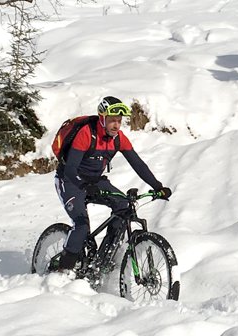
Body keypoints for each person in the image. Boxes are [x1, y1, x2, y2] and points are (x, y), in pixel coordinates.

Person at [52, 96, 172, 272]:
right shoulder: (86, 133)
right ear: (102, 119)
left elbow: (138, 164)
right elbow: (70, 168)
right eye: (112, 121)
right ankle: (60, 271)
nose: (116, 125)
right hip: (69, 181)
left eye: (119, 121)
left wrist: (158, 187)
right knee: (81, 225)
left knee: (124, 206)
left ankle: (102, 260)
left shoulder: (118, 138)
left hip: (94, 181)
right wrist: (83, 185)